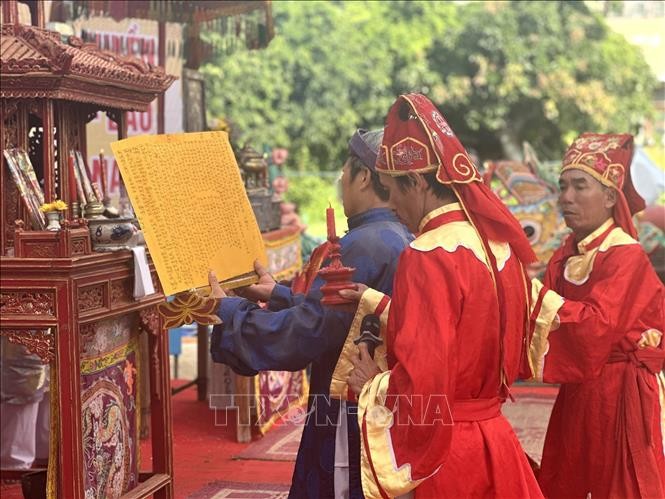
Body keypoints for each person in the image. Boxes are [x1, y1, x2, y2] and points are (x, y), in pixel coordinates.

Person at [341, 93, 542, 498]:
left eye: (392, 189)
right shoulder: (498, 246)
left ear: (416, 182)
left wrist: (372, 385)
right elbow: (471, 325)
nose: (391, 203)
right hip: (494, 438)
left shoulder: (427, 254)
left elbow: (424, 384)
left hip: (449, 455)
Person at [208, 128, 413, 499]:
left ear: (364, 177)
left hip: (349, 409)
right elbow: (348, 317)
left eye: (344, 171)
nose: (339, 180)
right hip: (382, 404)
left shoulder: (364, 244)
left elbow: (309, 332)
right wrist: (279, 295)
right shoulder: (396, 234)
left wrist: (230, 311)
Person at [528, 133, 665, 498]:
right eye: (562, 186)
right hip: (580, 386)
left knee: (618, 485)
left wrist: (528, 295)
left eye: (580, 186)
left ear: (609, 197)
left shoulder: (626, 256)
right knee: (568, 476)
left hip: (621, 392)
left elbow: (593, 327)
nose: (566, 197)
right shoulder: (565, 255)